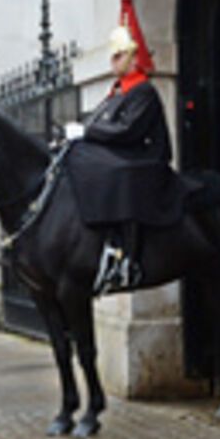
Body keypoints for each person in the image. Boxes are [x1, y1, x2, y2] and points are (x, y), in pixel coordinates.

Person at [75, 24, 183, 294]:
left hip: (146, 159)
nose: (113, 61)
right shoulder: (117, 92)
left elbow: (127, 130)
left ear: (134, 59)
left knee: (118, 174)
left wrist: (87, 131)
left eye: (119, 56)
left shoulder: (143, 91)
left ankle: (128, 258)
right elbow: (99, 124)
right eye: (112, 56)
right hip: (126, 155)